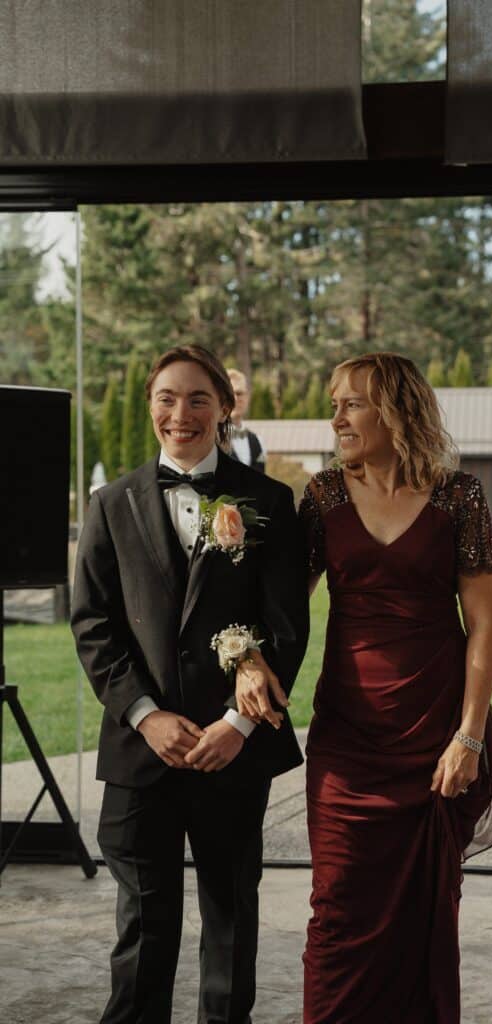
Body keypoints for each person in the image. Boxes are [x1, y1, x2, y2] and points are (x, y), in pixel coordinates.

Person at [71, 344, 309, 1024]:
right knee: (143, 926)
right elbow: (92, 625)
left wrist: (236, 727)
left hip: (231, 752)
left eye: (198, 398)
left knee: (231, 916)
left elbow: (285, 628)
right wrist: (145, 715)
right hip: (140, 753)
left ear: (224, 408)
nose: (181, 413)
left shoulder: (268, 502)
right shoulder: (109, 505)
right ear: (151, 407)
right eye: (166, 398)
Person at [296, 352, 492, 1024]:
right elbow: (282, 611)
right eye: (333, 402)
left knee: (429, 918)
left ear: (395, 409)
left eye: (351, 403)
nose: (335, 415)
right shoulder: (321, 496)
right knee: (335, 914)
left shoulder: (460, 496)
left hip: (435, 741)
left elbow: (481, 628)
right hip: (345, 738)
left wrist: (468, 736)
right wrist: (244, 661)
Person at [225, 368, 266, 473]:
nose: (235, 399)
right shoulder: (208, 441)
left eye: (239, 393)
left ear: (247, 397)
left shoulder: (258, 441)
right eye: (230, 393)